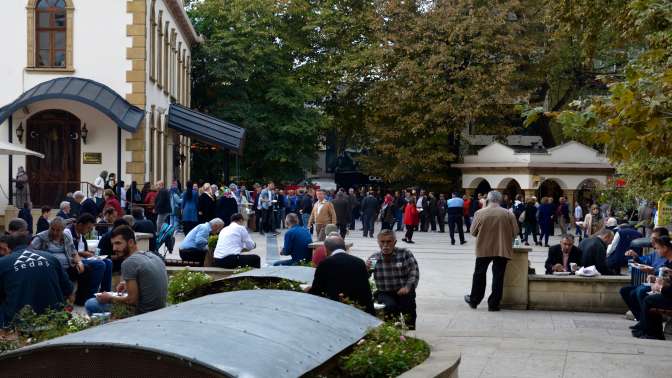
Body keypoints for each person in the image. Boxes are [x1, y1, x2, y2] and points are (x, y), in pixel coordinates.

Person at [85, 226, 168, 315]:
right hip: (161, 309)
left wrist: (109, 298)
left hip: (143, 313)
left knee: (91, 303)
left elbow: (131, 300)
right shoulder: (153, 256)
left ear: (131, 242)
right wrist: (126, 284)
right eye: (113, 244)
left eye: (118, 243)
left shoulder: (129, 262)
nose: (114, 248)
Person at [0, 232, 73, 328]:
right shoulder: (51, 258)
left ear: (8, 248)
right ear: (30, 244)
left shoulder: (3, 263)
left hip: (19, 323)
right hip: (54, 318)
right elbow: (68, 289)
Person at [465, 191, 519, 311]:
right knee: (498, 276)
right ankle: (494, 304)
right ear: (500, 200)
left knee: (479, 274)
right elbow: (515, 232)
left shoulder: (480, 213)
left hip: (483, 248)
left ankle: (474, 300)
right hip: (502, 248)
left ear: (488, 200)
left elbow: (472, 232)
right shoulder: (508, 214)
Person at [308, 235, 374, 314]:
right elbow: (365, 289)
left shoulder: (325, 264)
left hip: (333, 308)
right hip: (357, 308)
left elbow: (317, 289)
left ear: (326, 249)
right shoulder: (359, 262)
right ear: (344, 247)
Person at [367, 229, 420, 329]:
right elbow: (366, 276)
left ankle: (410, 329)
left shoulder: (405, 253)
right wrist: (365, 269)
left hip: (403, 290)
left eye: (389, 241)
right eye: (382, 242)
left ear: (394, 242)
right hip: (385, 292)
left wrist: (407, 287)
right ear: (378, 243)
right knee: (390, 306)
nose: (385, 245)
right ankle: (393, 329)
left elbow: (414, 272)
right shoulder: (374, 258)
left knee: (408, 306)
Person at [621, 228, 670, 326]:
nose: (652, 242)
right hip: (652, 282)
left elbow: (664, 272)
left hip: (660, 285)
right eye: (651, 238)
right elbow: (646, 260)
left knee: (640, 291)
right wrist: (636, 257)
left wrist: (653, 272)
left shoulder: (667, 254)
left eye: (655, 239)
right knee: (625, 290)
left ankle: (645, 322)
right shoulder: (655, 253)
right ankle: (641, 319)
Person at [630, 235, 672, 339]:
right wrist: (657, 279)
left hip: (669, 295)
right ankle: (647, 329)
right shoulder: (668, 262)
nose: (656, 251)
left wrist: (660, 288)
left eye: (657, 248)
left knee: (648, 299)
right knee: (644, 295)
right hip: (667, 292)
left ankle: (652, 332)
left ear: (665, 248)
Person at [64, 214, 113, 300]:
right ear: (80, 225)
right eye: (88, 228)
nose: (90, 231)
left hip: (83, 260)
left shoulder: (81, 236)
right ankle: (91, 296)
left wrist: (89, 253)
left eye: (91, 229)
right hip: (72, 261)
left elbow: (84, 251)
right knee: (100, 264)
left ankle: (105, 293)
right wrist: (84, 254)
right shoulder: (68, 232)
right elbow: (70, 251)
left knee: (108, 262)